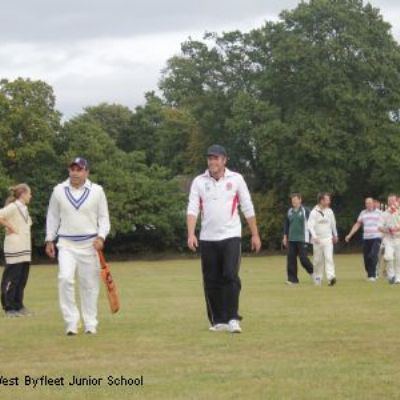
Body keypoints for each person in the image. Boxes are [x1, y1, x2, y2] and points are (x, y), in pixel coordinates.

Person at [187, 144, 261, 334]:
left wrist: (255, 234)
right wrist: (191, 233)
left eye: (216, 158)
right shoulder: (199, 181)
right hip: (207, 237)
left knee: (230, 275)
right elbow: (193, 209)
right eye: (210, 158)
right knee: (211, 280)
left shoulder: (236, 179)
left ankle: (233, 317)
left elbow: (247, 206)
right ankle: (218, 320)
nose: (212, 161)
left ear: (224, 160)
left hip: (231, 235)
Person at [45, 157, 110, 335]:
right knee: (65, 279)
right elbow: (52, 216)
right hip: (66, 243)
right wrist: (49, 239)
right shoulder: (58, 190)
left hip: (90, 245)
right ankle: (71, 322)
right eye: (72, 169)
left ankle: (90, 322)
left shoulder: (97, 191)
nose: (75, 172)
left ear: (86, 172)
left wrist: (101, 237)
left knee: (89, 285)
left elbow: (104, 218)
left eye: (79, 169)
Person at [0, 184, 33, 317]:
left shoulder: (24, 209)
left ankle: (18, 305)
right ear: (23, 194)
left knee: (21, 279)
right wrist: (9, 226)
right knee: (11, 278)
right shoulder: (13, 207)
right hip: (14, 248)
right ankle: (8, 307)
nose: (31, 196)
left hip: (25, 249)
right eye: (29, 193)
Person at [345, 197, 382, 281]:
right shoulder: (363, 213)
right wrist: (349, 235)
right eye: (366, 203)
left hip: (376, 237)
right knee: (366, 258)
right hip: (366, 238)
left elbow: (385, 224)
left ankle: (372, 276)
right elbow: (357, 224)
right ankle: (371, 272)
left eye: (369, 203)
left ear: (373, 203)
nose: (368, 205)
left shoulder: (380, 213)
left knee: (372, 255)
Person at [307, 192, 338, 286]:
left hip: (328, 238)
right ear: (321, 200)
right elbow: (310, 226)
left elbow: (333, 224)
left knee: (329, 258)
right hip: (317, 240)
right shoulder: (314, 212)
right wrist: (315, 237)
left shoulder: (330, 211)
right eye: (327, 199)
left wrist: (335, 235)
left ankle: (331, 278)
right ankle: (318, 278)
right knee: (317, 260)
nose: (329, 201)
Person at [282, 193, 314, 285]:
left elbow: (312, 223)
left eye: (295, 200)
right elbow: (286, 225)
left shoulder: (305, 211)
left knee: (303, 259)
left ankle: (313, 272)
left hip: (303, 238)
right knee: (291, 259)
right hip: (291, 239)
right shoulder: (290, 211)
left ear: (300, 200)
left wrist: (314, 236)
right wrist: (285, 237)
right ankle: (293, 280)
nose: (294, 202)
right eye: (292, 200)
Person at [378, 194, 400, 284]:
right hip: (388, 239)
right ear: (387, 202)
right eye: (389, 200)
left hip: (398, 238)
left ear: (396, 201)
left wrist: (396, 229)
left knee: (399, 259)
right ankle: (391, 276)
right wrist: (388, 230)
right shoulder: (384, 214)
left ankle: (398, 277)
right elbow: (379, 227)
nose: (391, 202)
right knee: (389, 257)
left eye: (393, 200)